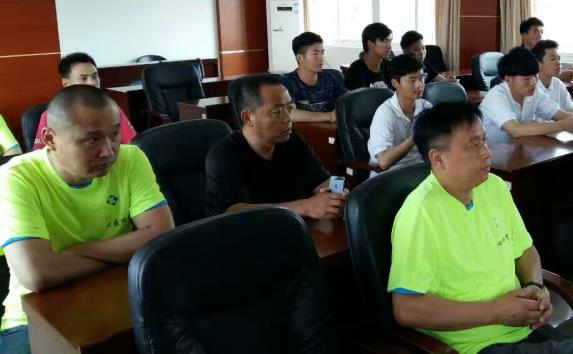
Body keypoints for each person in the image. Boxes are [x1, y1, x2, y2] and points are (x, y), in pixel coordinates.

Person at [388, 101, 573, 354]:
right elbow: (406, 309)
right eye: (473, 145)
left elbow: (525, 249)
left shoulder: (493, 186)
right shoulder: (420, 213)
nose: (486, 153)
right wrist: (494, 312)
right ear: (438, 158)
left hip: (522, 328)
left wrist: (535, 286)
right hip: (475, 346)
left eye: (484, 141)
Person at [0, 85, 174, 354]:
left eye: (114, 134)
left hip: (120, 297)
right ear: (50, 138)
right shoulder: (17, 178)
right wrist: (123, 253)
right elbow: (36, 274)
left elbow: (161, 234)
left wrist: (77, 251)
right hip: (32, 316)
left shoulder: (131, 158)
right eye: (92, 140)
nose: (109, 151)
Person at [205, 75, 346, 219]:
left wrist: (336, 194)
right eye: (277, 112)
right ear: (248, 118)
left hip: (294, 226)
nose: (288, 118)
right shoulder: (225, 154)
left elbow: (320, 180)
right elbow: (233, 211)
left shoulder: (294, 142)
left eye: (289, 109)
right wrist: (304, 207)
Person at [479, 47, 573, 143]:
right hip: (490, 155)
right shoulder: (496, 96)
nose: (534, 82)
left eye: (535, 76)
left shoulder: (533, 92)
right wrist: (563, 125)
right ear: (508, 79)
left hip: (516, 150)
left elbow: (560, 114)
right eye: (527, 79)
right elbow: (516, 130)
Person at [32, 53, 136, 150]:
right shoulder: (51, 115)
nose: (92, 82)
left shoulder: (111, 109)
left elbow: (132, 144)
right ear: (66, 84)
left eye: (95, 76)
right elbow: (39, 154)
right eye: (84, 78)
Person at [368, 54, 432, 171]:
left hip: (419, 169)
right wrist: (415, 138)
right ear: (395, 83)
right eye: (412, 80)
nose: (419, 84)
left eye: (422, 77)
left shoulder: (425, 106)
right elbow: (384, 162)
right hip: (391, 174)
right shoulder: (384, 113)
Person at [280, 32, 347, 123]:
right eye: (315, 54)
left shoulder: (328, 78)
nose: (321, 58)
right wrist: (328, 116)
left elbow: (348, 100)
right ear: (300, 58)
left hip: (329, 129)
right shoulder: (287, 81)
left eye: (322, 53)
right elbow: (291, 113)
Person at [519, 18, 573, 84]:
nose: (540, 36)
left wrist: (558, 72)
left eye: (541, 32)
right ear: (524, 36)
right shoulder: (518, 58)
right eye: (535, 32)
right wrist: (559, 76)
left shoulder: (542, 53)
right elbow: (525, 82)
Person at [531, 40, 573, 117]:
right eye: (553, 59)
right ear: (538, 63)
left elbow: (572, 110)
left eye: (559, 59)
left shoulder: (558, 83)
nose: (558, 63)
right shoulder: (530, 87)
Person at [344, 22, 393, 90]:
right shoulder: (355, 71)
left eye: (390, 42)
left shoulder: (390, 68)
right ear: (370, 44)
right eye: (385, 41)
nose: (390, 47)